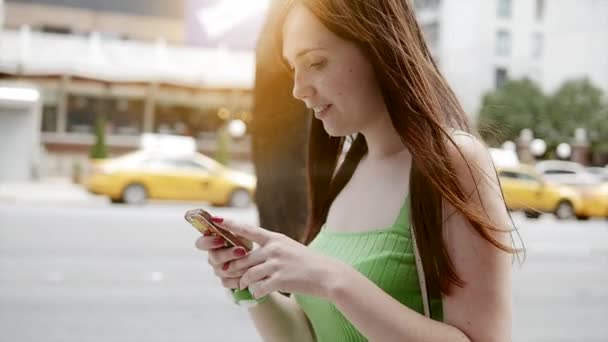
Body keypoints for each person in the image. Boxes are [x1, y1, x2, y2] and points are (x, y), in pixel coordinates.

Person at [195, 0, 520, 341]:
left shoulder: (454, 162)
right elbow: (310, 335)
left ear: (377, 44)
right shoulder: (347, 172)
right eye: (293, 69)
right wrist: (250, 282)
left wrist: (332, 280)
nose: (298, 89)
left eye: (316, 62)